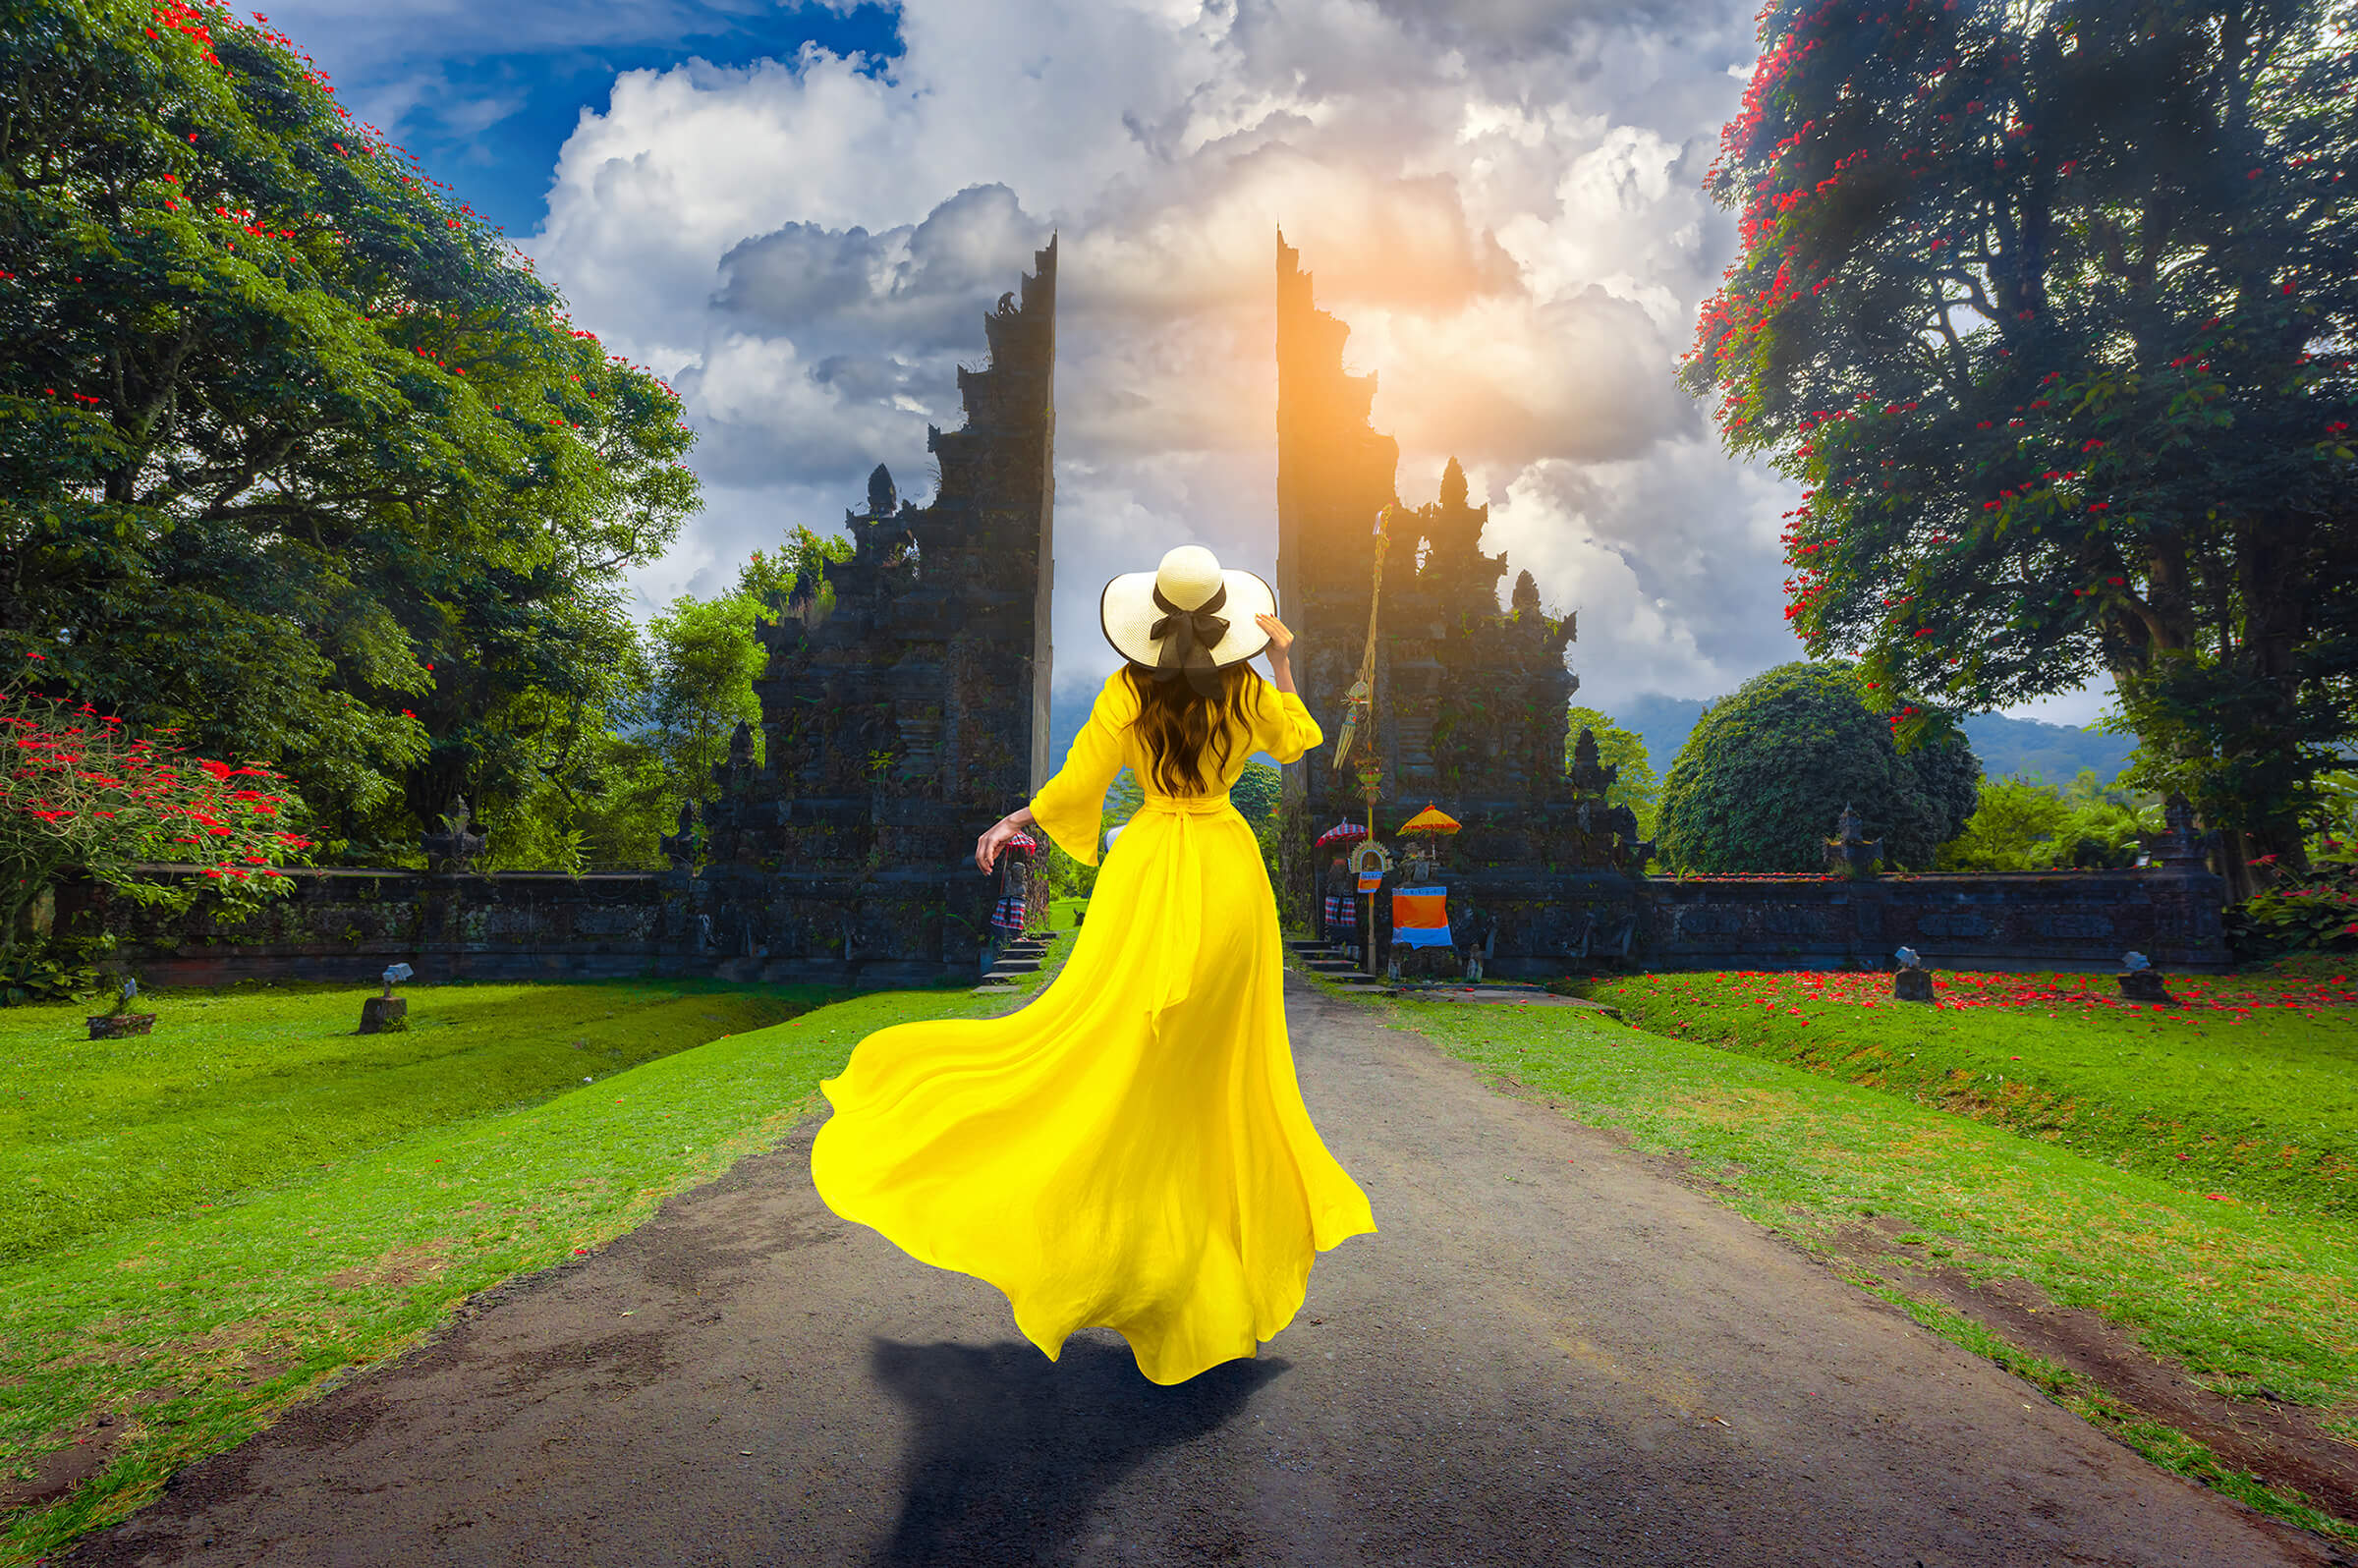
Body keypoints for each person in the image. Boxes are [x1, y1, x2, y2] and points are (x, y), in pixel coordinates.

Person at [810, 544, 1377, 1385]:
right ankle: (1195, 1265)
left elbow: (1078, 785)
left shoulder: (1126, 692)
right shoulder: (1248, 688)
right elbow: (1299, 742)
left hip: (1147, 869)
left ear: (1153, 622)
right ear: (1227, 621)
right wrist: (1282, 657)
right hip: (1225, 874)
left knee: (1122, 1049)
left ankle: (1144, 1253)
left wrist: (1016, 819)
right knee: (1213, 1072)